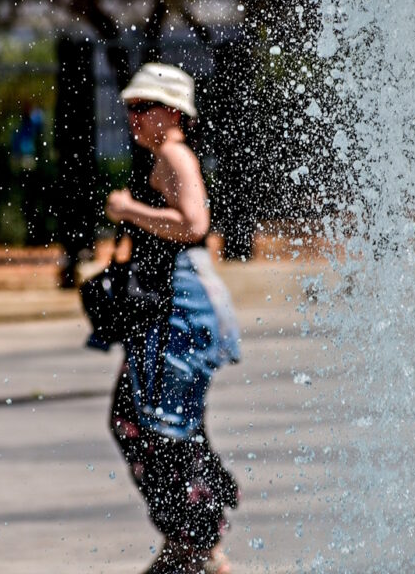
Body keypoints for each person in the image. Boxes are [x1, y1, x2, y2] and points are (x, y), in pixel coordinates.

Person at [104, 63, 240, 574]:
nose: (133, 117)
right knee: (150, 421)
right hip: (170, 310)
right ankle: (193, 537)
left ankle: (197, 544)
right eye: (130, 108)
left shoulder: (175, 154)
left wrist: (127, 210)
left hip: (182, 312)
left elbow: (193, 223)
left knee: (156, 424)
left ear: (173, 112)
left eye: (144, 107)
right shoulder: (162, 156)